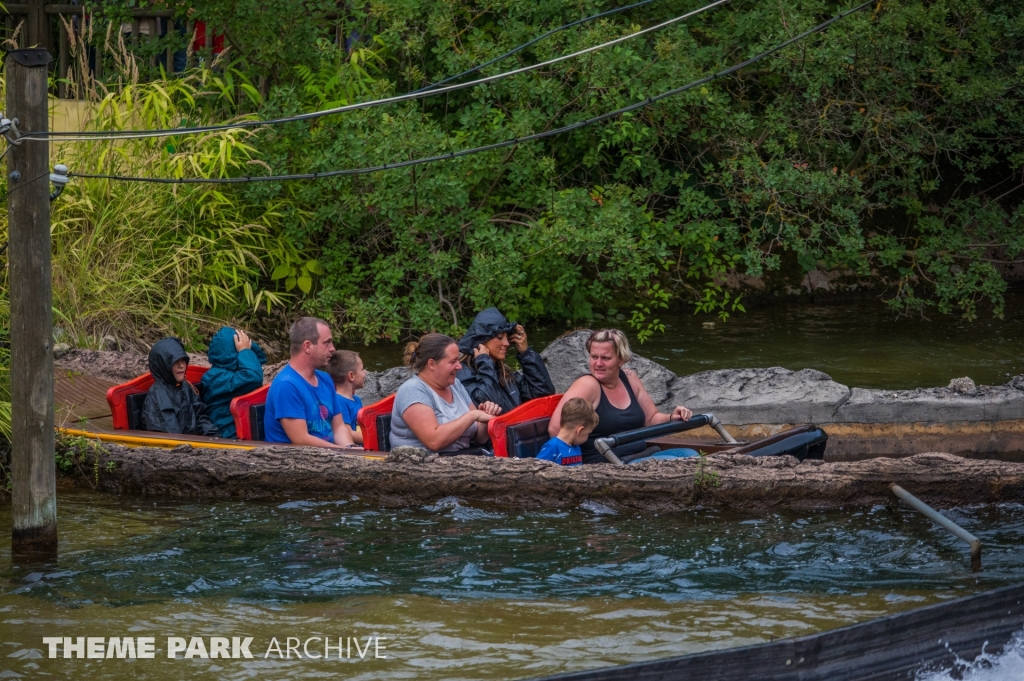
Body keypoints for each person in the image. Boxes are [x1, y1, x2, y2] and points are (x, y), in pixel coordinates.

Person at [548, 328, 693, 464]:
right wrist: (573, 463)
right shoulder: (587, 385)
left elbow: (650, 419)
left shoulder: (630, 378)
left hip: (640, 455)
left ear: (621, 360)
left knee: (690, 454)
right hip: (610, 464)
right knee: (678, 462)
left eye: (605, 358)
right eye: (594, 357)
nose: (598, 363)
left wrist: (671, 417)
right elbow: (555, 429)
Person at [390, 333, 502, 455]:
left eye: (458, 360)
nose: (459, 366)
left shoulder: (455, 384)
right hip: (423, 464)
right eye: (453, 361)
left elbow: (479, 438)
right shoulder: (412, 391)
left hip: (462, 457)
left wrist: (485, 418)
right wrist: (473, 416)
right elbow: (434, 441)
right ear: (432, 364)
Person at [264, 317, 356, 448]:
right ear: (307, 346)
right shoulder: (286, 386)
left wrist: (350, 449)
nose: (333, 348)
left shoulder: (326, 379)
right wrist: (342, 452)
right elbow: (301, 440)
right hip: (296, 461)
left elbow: (339, 427)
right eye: (327, 343)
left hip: (332, 455)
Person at [456, 307, 555, 413]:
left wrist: (526, 353)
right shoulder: (462, 373)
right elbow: (486, 407)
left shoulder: (504, 372)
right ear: (482, 340)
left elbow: (544, 394)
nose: (507, 343)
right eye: (499, 337)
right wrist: (484, 363)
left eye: (507, 337)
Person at [199, 327, 267, 439]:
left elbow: (254, 370)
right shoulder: (213, 378)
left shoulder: (234, 372)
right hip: (227, 436)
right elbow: (252, 377)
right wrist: (245, 351)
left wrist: (248, 352)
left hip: (241, 433)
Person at [142, 337, 218, 436]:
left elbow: (200, 417)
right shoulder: (158, 396)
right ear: (163, 365)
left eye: (183, 360)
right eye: (175, 362)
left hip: (192, 442)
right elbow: (171, 436)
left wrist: (215, 437)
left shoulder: (186, 387)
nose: (181, 365)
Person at [536, 397, 598, 466]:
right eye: (588, 433)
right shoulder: (552, 446)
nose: (587, 437)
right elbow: (536, 470)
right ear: (580, 430)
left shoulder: (576, 447)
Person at [326, 349, 366, 445]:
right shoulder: (339, 401)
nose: (365, 372)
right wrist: (376, 439)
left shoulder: (356, 399)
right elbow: (348, 433)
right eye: (362, 369)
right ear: (351, 376)